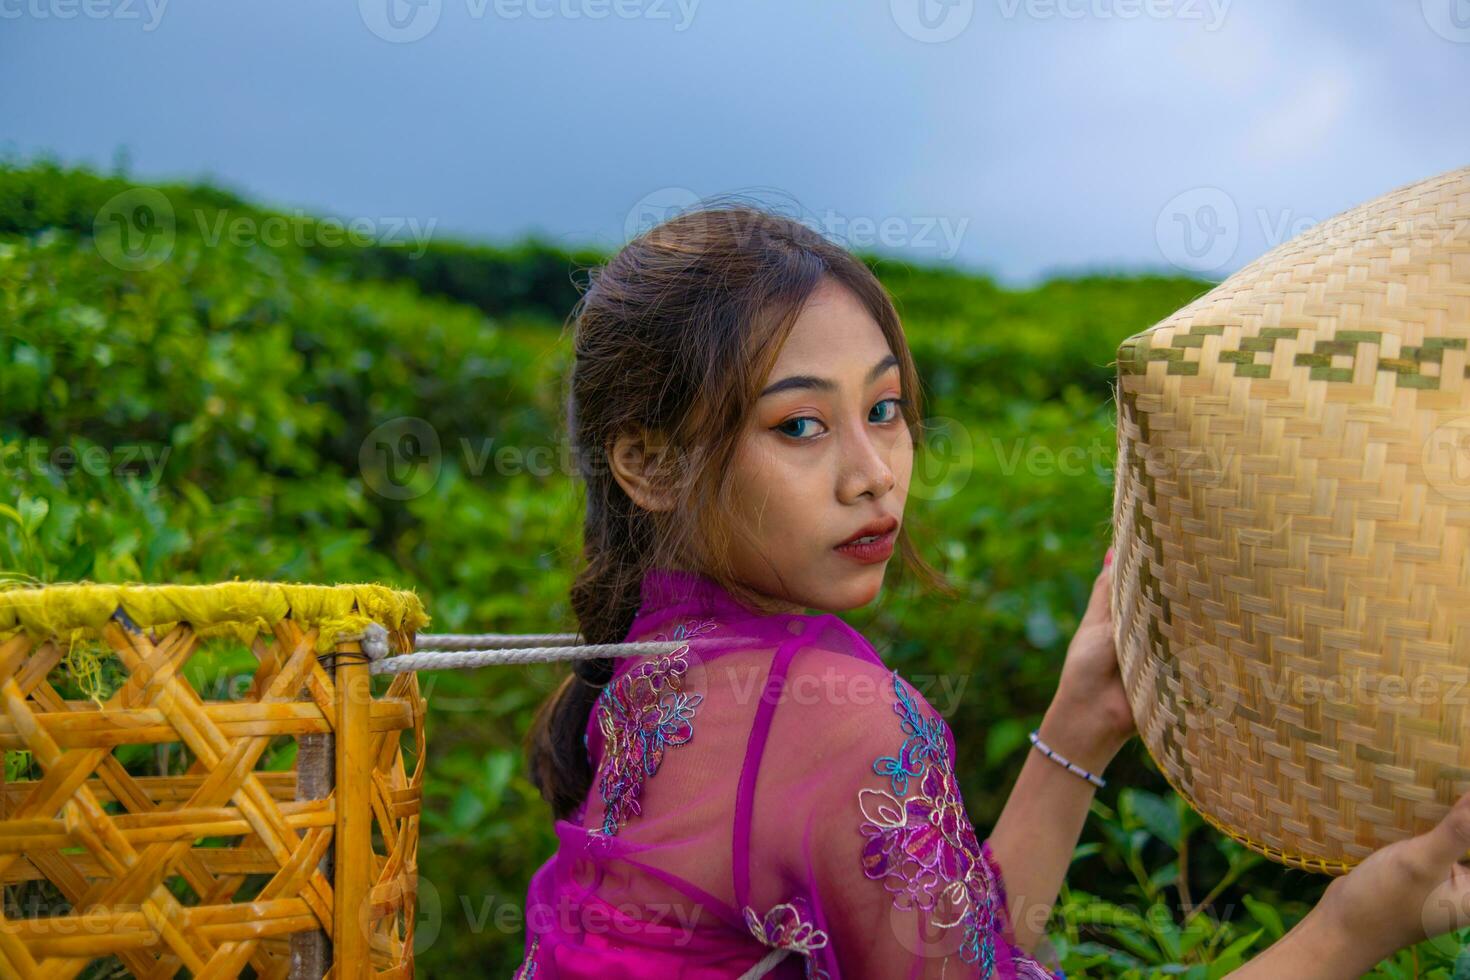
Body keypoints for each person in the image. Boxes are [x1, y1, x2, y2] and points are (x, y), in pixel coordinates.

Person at [517, 203, 1470, 978]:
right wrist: (1355, 924)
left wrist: (1085, 712)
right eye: (800, 426)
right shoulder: (831, 716)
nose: (874, 473)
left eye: (884, 410)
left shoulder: (657, 659)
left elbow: (957, 950)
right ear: (648, 463)